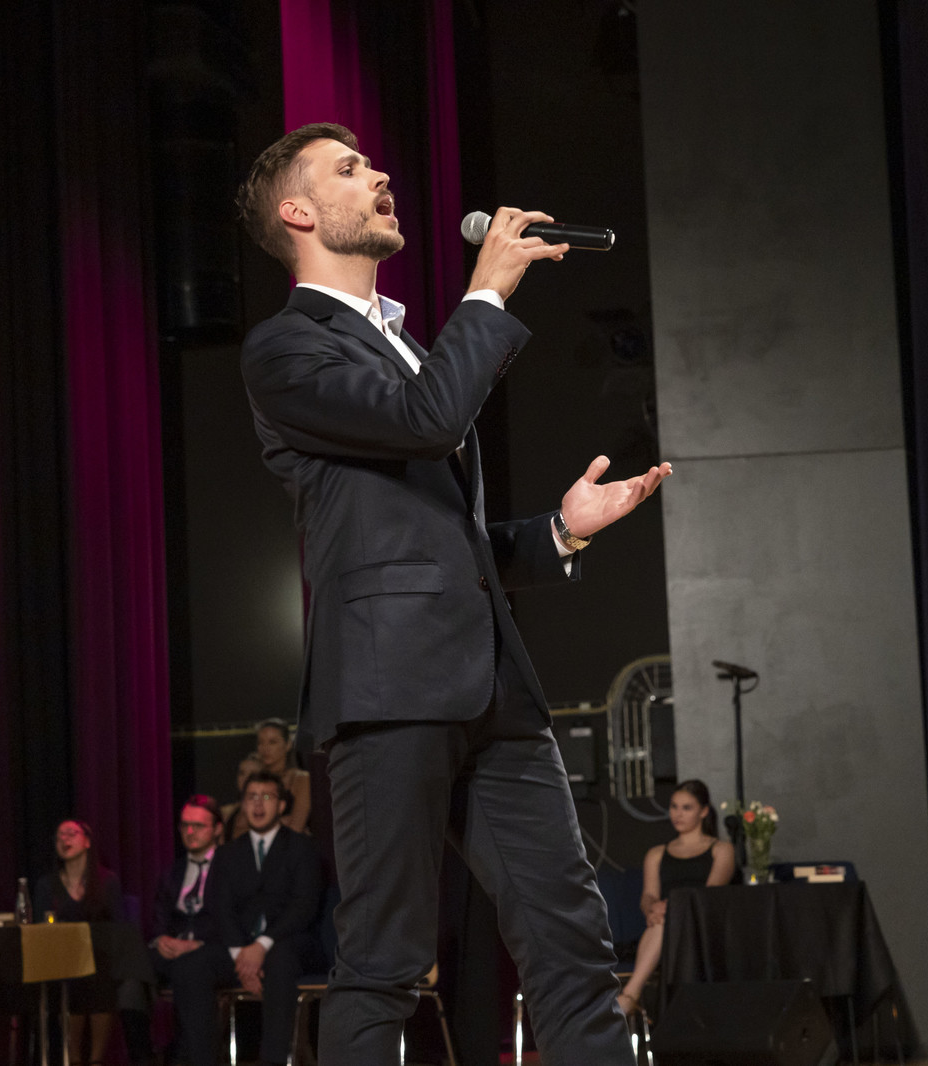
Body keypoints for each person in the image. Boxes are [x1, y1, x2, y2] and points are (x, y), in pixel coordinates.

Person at [234, 122, 670, 1066]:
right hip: (388, 688)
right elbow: (426, 421)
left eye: (370, 160)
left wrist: (559, 532)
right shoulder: (285, 350)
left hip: (492, 686)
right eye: (348, 168)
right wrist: (488, 290)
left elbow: (438, 544)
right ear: (297, 213)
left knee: (570, 938)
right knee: (385, 960)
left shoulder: (402, 346)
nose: (379, 172)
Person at [210, 772, 322, 1066]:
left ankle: (273, 1060)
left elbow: (304, 905)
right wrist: (240, 954)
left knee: (280, 959)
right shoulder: (227, 854)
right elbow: (221, 908)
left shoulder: (301, 847)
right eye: (251, 797)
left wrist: (262, 945)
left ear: (282, 806)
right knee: (192, 965)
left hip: (288, 942)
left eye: (267, 797)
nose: (258, 804)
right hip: (239, 948)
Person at [615, 780, 735, 1017]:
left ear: (703, 811)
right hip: (664, 926)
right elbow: (648, 896)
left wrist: (673, 907)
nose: (678, 814)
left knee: (664, 921)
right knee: (660, 922)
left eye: (686, 808)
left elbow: (710, 894)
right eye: (674, 806)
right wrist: (653, 908)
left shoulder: (721, 849)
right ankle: (630, 996)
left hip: (703, 927)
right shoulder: (657, 853)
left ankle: (630, 994)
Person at [35, 819, 122, 1066]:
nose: (64, 840)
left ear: (87, 841)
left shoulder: (107, 881)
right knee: (69, 978)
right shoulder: (46, 884)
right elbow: (40, 929)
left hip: (99, 960)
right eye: (59, 836)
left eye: (71, 834)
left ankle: (96, 1060)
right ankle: (71, 1058)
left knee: (99, 975)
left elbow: (117, 929)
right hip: (61, 961)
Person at [147, 795, 225, 1066]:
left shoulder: (230, 867)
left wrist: (198, 944)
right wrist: (161, 939)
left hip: (212, 949)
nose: (190, 832)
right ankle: (143, 1055)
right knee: (132, 969)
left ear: (217, 829)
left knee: (190, 966)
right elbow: (158, 916)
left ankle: (191, 1058)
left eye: (198, 825)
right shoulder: (173, 871)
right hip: (173, 950)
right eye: (185, 825)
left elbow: (234, 919)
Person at [254, 720, 310, 833]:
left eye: (272, 742)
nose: (265, 748)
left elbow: (296, 826)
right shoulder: (254, 779)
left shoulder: (300, 779)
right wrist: (280, 822)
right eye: (260, 743)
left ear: (287, 744)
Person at [220, 754, 261, 841]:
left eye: (252, 774)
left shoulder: (268, 814)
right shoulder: (226, 814)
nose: (246, 778)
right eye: (242, 773)